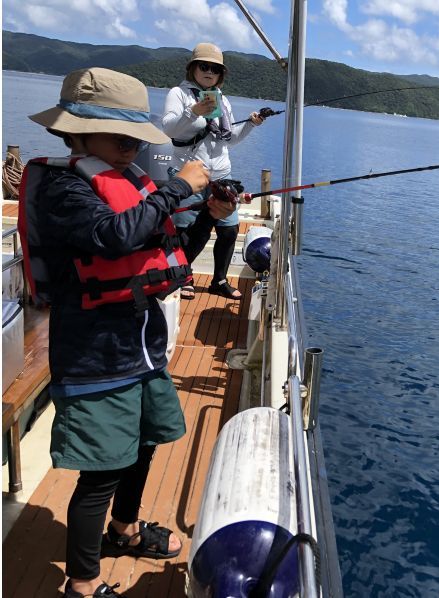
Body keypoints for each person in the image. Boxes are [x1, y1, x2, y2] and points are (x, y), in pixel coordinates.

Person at [21, 67, 235, 598]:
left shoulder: (127, 180)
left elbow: (164, 238)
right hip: (94, 355)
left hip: (141, 349)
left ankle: (125, 530)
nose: (129, 149)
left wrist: (209, 211)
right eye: (120, 139)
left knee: (143, 445)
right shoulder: (66, 187)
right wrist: (181, 186)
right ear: (76, 132)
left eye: (135, 139)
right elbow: (113, 235)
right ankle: (83, 584)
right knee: (100, 471)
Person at [162, 42, 265, 300]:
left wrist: (251, 125)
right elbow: (170, 130)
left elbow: (228, 139)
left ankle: (219, 280)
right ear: (193, 69)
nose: (210, 72)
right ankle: (182, 277)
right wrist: (192, 112)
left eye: (215, 69)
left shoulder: (223, 100)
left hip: (221, 175)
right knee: (188, 231)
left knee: (229, 230)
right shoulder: (179, 94)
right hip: (190, 174)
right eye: (204, 66)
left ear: (221, 74)